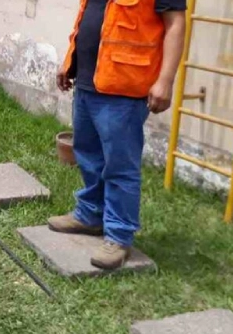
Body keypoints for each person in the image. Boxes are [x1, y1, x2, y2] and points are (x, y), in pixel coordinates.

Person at [48, 0, 186, 270]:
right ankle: (90, 215)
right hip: (88, 83)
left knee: (120, 166)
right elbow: (89, 19)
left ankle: (118, 235)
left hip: (124, 89)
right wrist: (70, 62)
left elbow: (176, 25)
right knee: (88, 156)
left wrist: (165, 80)